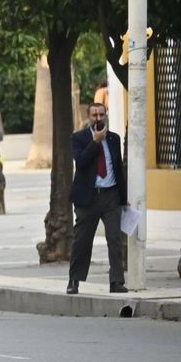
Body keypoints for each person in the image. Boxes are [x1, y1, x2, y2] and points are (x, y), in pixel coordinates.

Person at [67, 100, 127, 295]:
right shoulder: (79, 138)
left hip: (111, 195)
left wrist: (123, 198)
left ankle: (116, 281)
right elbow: (81, 162)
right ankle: (74, 280)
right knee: (82, 241)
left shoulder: (114, 139)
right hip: (88, 197)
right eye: (94, 115)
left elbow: (118, 168)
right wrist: (95, 142)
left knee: (114, 239)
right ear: (88, 117)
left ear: (105, 115)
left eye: (101, 115)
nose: (98, 119)